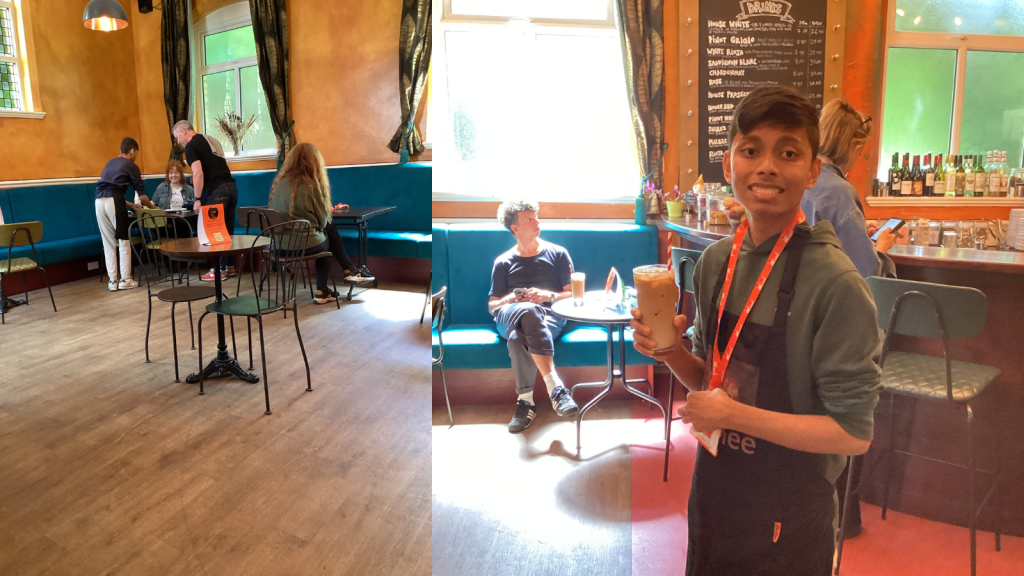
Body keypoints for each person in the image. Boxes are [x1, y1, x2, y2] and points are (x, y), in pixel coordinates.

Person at [630, 87, 881, 575]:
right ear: (729, 165)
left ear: (812, 170)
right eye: (751, 150)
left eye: (788, 152)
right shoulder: (715, 264)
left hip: (790, 516)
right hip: (715, 493)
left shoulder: (837, 284)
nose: (767, 166)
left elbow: (853, 433)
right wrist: (671, 350)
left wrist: (738, 415)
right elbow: (709, 382)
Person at [802, 99, 895, 538]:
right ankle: (848, 514)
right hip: (841, 322)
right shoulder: (838, 190)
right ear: (850, 144)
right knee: (850, 402)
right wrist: (883, 244)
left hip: (805, 321)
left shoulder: (801, 178)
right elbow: (866, 269)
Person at [489, 201, 580, 434]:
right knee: (527, 309)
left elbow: (573, 294)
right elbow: (492, 305)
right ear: (515, 228)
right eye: (529, 219)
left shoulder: (558, 254)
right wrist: (509, 300)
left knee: (517, 339)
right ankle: (556, 389)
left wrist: (547, 295)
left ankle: (525, 402)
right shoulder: (503, 262)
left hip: (550, 317)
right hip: (508, 315)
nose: (537, 222)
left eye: (536, 217)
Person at [268, 143, 374, 304]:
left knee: (324, 234)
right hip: (303, 245)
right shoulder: (312, 184)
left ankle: (348, 272)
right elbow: (323, 221)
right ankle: (329, 285)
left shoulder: (279, 183)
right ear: (315, 162)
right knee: (326, 235)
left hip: (278, 246)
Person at [802, 99, 896, 279]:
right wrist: (881, 248)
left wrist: (857, 226)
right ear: (853, 146)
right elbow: (867, 274)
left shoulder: (798, 177)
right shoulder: (840, 192)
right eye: (860, 153)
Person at [172, 120, 238, 281]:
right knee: (228, 230)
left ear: (183, 131)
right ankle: (229, 267)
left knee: (215, 230)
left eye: (177, 137)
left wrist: (197, 198)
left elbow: (198, 173)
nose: (178, 142)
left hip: (216, 191)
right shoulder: (210, 139)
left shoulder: (191, 146)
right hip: (231, 188)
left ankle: (218, 270)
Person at [94, 137, 157, 292]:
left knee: (108, 242)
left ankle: (113, 281)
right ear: (132, 151)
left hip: (98, 201)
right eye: (136, 153)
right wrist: (153, 209)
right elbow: (142, 196)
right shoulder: (131, 165)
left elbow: (109, 191)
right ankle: (126, 279)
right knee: (123, 240)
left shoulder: (110, 163)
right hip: (114, 201)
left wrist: (130, 205)